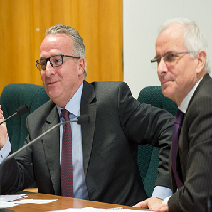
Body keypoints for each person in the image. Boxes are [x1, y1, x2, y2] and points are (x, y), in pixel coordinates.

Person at [0, 24, 174, 206]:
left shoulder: (112, 100)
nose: (48, 71)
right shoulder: (38, 121)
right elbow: (14, 179)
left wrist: (161, 193)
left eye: (57, 61)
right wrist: (3, 145)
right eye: (43, 63)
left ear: (80, 65)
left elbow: (171, 129)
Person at [135, 18, 212, 211]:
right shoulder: (190, 105)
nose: (161, 69)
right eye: (158, 60)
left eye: (170, 57)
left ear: (199, 61)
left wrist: (164, 205)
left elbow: (198, 196)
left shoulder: (206, 104)